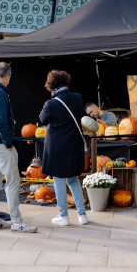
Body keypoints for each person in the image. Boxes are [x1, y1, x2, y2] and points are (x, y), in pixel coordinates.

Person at [0, 62, 37, 233]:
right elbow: (1, 122)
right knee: (13, 181)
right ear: (7, 76)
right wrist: (8, 143)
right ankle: (17, 222)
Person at [40, 70, 89, 226]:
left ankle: (64, 216)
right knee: (73, 180)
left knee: (59, 181)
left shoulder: (51, 104)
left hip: (57, 148)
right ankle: (82, 215)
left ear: (51, 84)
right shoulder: (78, 98)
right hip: (74, 146)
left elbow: (42, 118)